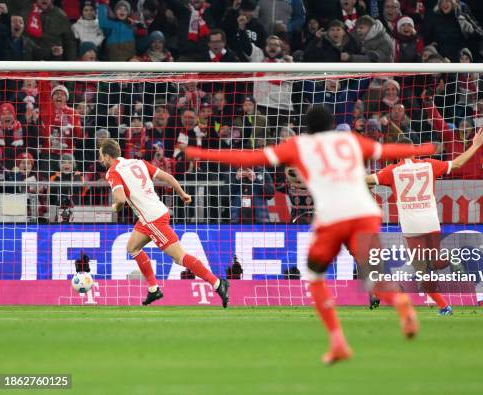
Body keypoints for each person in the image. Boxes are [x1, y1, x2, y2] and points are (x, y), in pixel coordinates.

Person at [186, 105, 437, 364]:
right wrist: (422, 150)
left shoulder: (300, 145)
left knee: (315, 275)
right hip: (366, 214)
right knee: (375, 277)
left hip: (332, 217)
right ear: (331, 125)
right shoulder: (348, 140)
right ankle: (400, 301)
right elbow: (387, 151)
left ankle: (338, 342)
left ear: (308, 127)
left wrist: (201, 152)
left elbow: (250, 159)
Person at [366, 131, 483, 315]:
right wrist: (476, 145)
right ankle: (452, 258)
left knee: (422, 271)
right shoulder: (429, 165)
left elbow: (367, 180)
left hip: (412, 227)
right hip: (431, 222)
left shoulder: (392, 171)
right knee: (436, 263)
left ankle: (445, 307)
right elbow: (458, 163)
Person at [99, 138, 230, 307]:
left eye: (101, 156)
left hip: (152, 219)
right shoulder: (138, 162)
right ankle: (154, 289)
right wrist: (182, 194)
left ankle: (218, 283)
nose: (100, 159)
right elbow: (167, 176)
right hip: (154, 214)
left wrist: (114, 208)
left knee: (179, 257)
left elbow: (120, 200)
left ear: (108, 156)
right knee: (132, 247)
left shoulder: (113, 172)